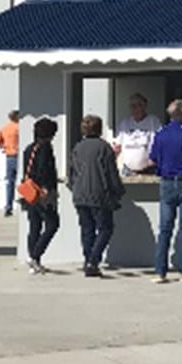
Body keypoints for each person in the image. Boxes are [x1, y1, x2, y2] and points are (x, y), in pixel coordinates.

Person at [149, 100, 182, 283]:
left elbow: (153, 159)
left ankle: (160, 271)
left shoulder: (161, 133)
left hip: (165, 182)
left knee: (165, 228)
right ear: (181, 114)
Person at [67, 114, 124, 277]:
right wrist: (118, 191)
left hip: (80, 194)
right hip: (99, 194)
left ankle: (88, 260)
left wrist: (74, 188)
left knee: (87, 229)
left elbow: (72, 173)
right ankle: (93, 260)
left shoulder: (77, 147)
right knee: (106, 228)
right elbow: (111, 173)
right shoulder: (104, 148)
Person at [20, 117, 61, 273]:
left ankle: (34, 261)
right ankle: (35, 256)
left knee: (34, 226)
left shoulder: (29, 148)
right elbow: (44, 169)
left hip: (30, 193)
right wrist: (46, 188)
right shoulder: (45, 148)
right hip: (42, 192)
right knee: (53, 224)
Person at [112, 94, 161, 174]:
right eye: (132, 106)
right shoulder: (124, 123)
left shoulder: (153, 121)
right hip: (128, 170)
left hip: (148, 169)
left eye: (139, 105)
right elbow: (117, 147)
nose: (135, 108)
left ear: (145, 106)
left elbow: (160, 144)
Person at [0, 110, 22, 216]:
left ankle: (8, 206)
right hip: (19, 155)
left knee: (10, 182)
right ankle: (24, 202)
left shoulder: (5, 128)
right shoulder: (20, 128)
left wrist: (4, 146)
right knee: (24, 179)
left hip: (9, 156)